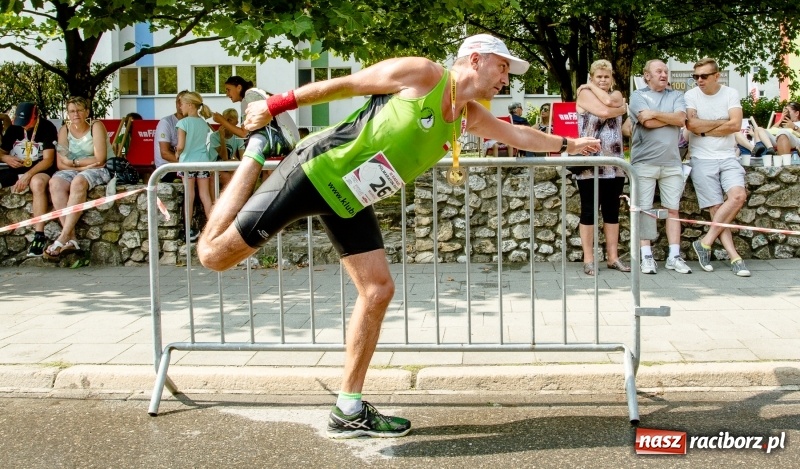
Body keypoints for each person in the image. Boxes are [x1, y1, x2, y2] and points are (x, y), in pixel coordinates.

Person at [196, 34, 600, 439]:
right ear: (475, 60)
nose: (505, 80)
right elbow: (347, 84)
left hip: (351, 200)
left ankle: (348, 409)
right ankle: (257, 149)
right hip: (314, 172)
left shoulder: (467, 115)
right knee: (214, 256)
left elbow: (521, 137)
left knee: (378, 290)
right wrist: (273, 105)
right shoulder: (423, 74)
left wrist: (569, 143)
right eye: (502, 68)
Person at [684, 58, 750, 277]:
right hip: (701, 157)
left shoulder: (730, 93)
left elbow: (736, 125)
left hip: (728, 155)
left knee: (738, 196)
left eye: (703, 76)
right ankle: (735, 257)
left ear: (716, 76)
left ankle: (705, 242)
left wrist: (705, 128)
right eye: (696, 77)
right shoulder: (691, 95)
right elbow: (692, 125)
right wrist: (721, 123)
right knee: (716, 209)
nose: (699, 81)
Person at [628, 59, 692, 275]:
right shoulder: (638, 96)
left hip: (672, 162)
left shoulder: (676, 96)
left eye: (666, 71)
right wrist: (670, 118)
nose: (664, 74)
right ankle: (646, 257)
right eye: (659, 71)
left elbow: (681, 119)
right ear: (647, 76)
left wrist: (655, 114)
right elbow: (646, 123)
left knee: (673, 209)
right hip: (644, 162)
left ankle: (674, 256)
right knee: (645, 210)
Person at [574, 60, 630, 276]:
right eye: (598, 76)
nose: (603, 80)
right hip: (590, 163)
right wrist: (589, 88)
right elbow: (606, 111)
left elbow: (610, 101)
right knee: (589, 211)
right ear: (591, 77)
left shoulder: (615, 94)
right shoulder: (584, 94)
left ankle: (612, 257)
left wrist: (618, 105)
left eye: (606, 76)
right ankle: (589, 259)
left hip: (614, 164)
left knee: (612, 212)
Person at [45, 96, 113, 259]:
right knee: (55, 183)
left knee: (78, 182)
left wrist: (74, 162)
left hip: (99, 169)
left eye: (79, 110)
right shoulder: (64, 130)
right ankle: (72, 238)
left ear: (87, 112)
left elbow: (100, 159)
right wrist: (81, 165)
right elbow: (61, 164)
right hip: (80, 168)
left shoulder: (96, 126)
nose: (75, 114)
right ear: (67, 114)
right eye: (71, 111)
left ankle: (63, 237)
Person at [0, 102, 58, 257]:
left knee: (37, 184)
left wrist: (28, 175)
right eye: (21, 123)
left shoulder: (47, 127)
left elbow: (48, 160)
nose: (24, 127)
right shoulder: (13, 129)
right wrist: (6, 158)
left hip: (40, 169)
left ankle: (39, 235)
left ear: (36, 117)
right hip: (16, 169)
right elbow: (1, 151)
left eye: (27, 123)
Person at [175, 91, 214, 230]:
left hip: (187, 162)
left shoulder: (182, 123)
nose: (180, 107)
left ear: (190, 105)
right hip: (203, 161)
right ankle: (212, 227)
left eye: (182, 104)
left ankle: (188, 228)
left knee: (189, 195)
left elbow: (180, 146)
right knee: (205, 195)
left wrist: (176, 153)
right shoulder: (203, 123)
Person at [154, 91, 188, 183]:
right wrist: (189, 164)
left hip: (185, 167)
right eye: (178, 102)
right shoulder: (166, 122)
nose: (179, 105)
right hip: (167, 170)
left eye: (183, 102)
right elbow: (165, 153)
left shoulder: (194, 122)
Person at [207, 107, 245, 189]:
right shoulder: (214, 136)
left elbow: (243, 159)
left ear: (236, 122)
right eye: (224, 120)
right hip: (214, 167)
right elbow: (224, 158)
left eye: (229, 120)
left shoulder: (238, 137)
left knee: (240, 175)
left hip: (226, 167)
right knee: (228, 177)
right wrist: (222, 138)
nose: (226, 123)